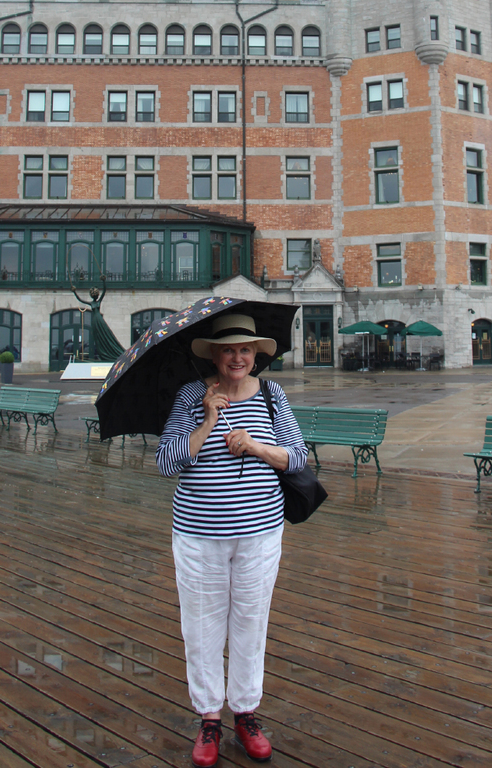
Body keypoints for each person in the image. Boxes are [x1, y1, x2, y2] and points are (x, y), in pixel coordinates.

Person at [156, 312, 306, 767]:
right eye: (228, 350)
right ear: (215, 355)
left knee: (249, 622)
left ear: (256, 355)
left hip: (260, 535)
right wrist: (205, 422)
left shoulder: (273, 396)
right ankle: (208, 717)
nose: (237, 357)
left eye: (246, 350)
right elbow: (166, 463)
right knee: (201, 627)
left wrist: (257, 446)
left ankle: (245, 712)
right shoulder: (190, 396)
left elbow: (297, 457)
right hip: (200, 535)